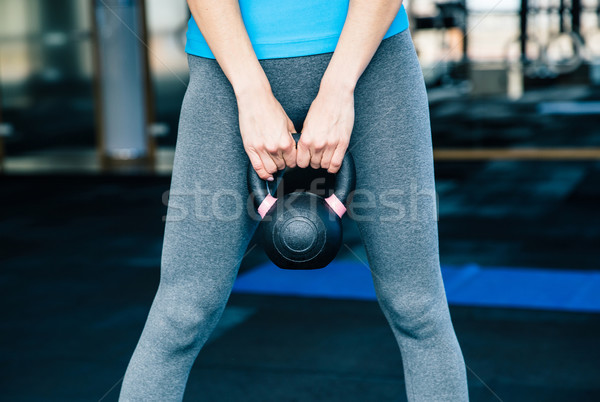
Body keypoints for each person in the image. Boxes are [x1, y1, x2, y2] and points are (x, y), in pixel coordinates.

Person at [119, 0, 469, 400]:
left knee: (417, 308)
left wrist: (339, 89)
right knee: (182, 314)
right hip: (227, 67)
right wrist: (251, 93)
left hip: (373, 60)